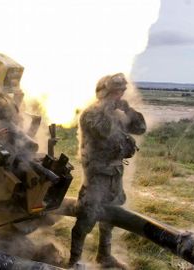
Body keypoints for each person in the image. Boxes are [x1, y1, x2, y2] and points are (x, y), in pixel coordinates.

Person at [69, 73, 146, 269]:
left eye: (121, 92)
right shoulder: (90, 114)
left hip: (114, 173)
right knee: (88, 215)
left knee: (111, 213)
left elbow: (140, 128)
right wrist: (110, 109)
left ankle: (104, 255)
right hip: (97, 174)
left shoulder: (119, 112)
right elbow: (104, 132)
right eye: (115, 93)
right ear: (104, 93)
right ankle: (74, 260)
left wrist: (128, 110)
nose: (119, 96)